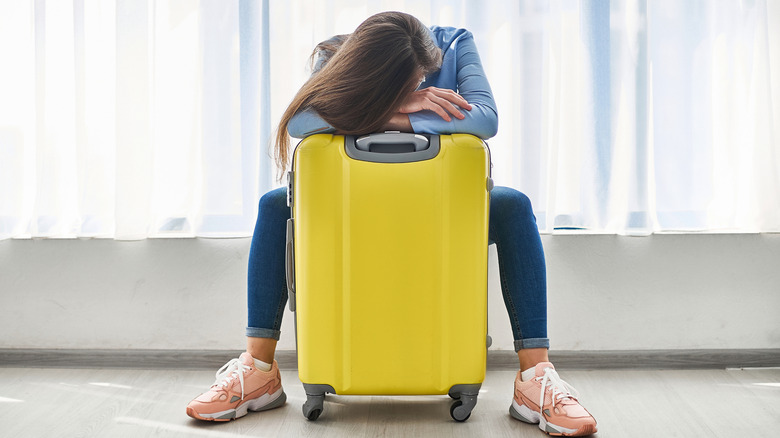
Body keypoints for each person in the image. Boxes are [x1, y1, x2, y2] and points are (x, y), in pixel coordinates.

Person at [186, 11, 597, 437]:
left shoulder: (455, 44)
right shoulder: (335, 53)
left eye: (421, 80)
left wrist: (388, 114)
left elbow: (485, 118)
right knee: (276, 205)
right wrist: (396, 107)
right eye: (403, 84)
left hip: (440, 198)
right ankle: (258, 371)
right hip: (354, 198)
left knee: (513, 205)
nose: (417, 88)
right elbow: (301, 122)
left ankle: (536, 380)